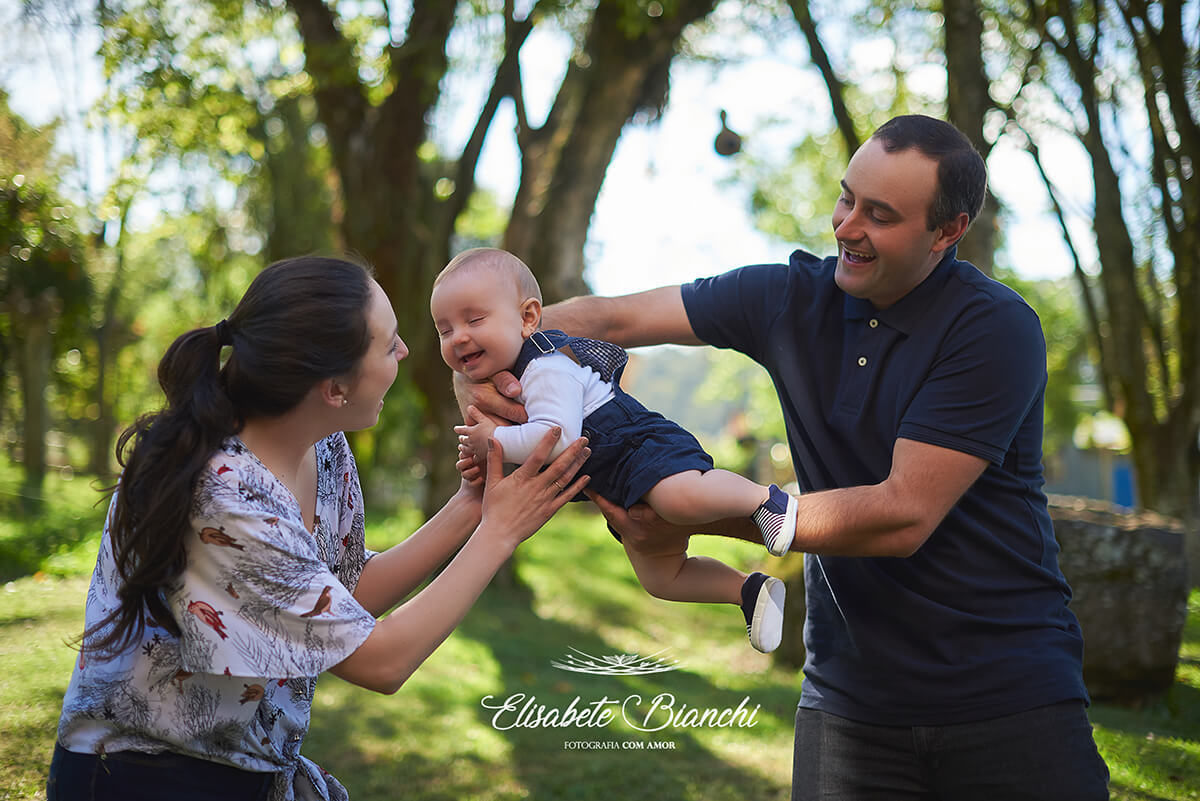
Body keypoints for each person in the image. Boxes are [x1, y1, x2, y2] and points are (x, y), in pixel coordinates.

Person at [460, 116, 1111, 799]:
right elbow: (612, 320)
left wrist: (690, 507)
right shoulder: (787, 298)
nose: (846, 226)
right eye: (846, 198)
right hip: (850, 700)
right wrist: (486, 369)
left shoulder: (993, 328)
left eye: (880, 215)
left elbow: (903, 514)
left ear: (947, 231)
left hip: (1011, 698)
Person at [47, 256, 591, 801]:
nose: (405, 352)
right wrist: (498, 534)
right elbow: (381, 661)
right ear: (335, 388)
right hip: (145, 776)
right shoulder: (224, 498)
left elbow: (345, 594)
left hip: (248, 768)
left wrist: (474, 503)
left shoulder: (323, 447)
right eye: (389, 344)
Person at [430, 248, 794, 653]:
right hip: (617, 478)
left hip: (637, 447)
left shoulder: (545, 367)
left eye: (474, 319)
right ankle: (748, 589)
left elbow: (557, 437)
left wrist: (493, 441)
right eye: (444, 330)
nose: (459, 336)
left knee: (680, 498)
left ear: (528, 318)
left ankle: (767, 500)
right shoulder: (510, 378)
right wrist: (484, 462)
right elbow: (529, 458)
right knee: (661, 578)